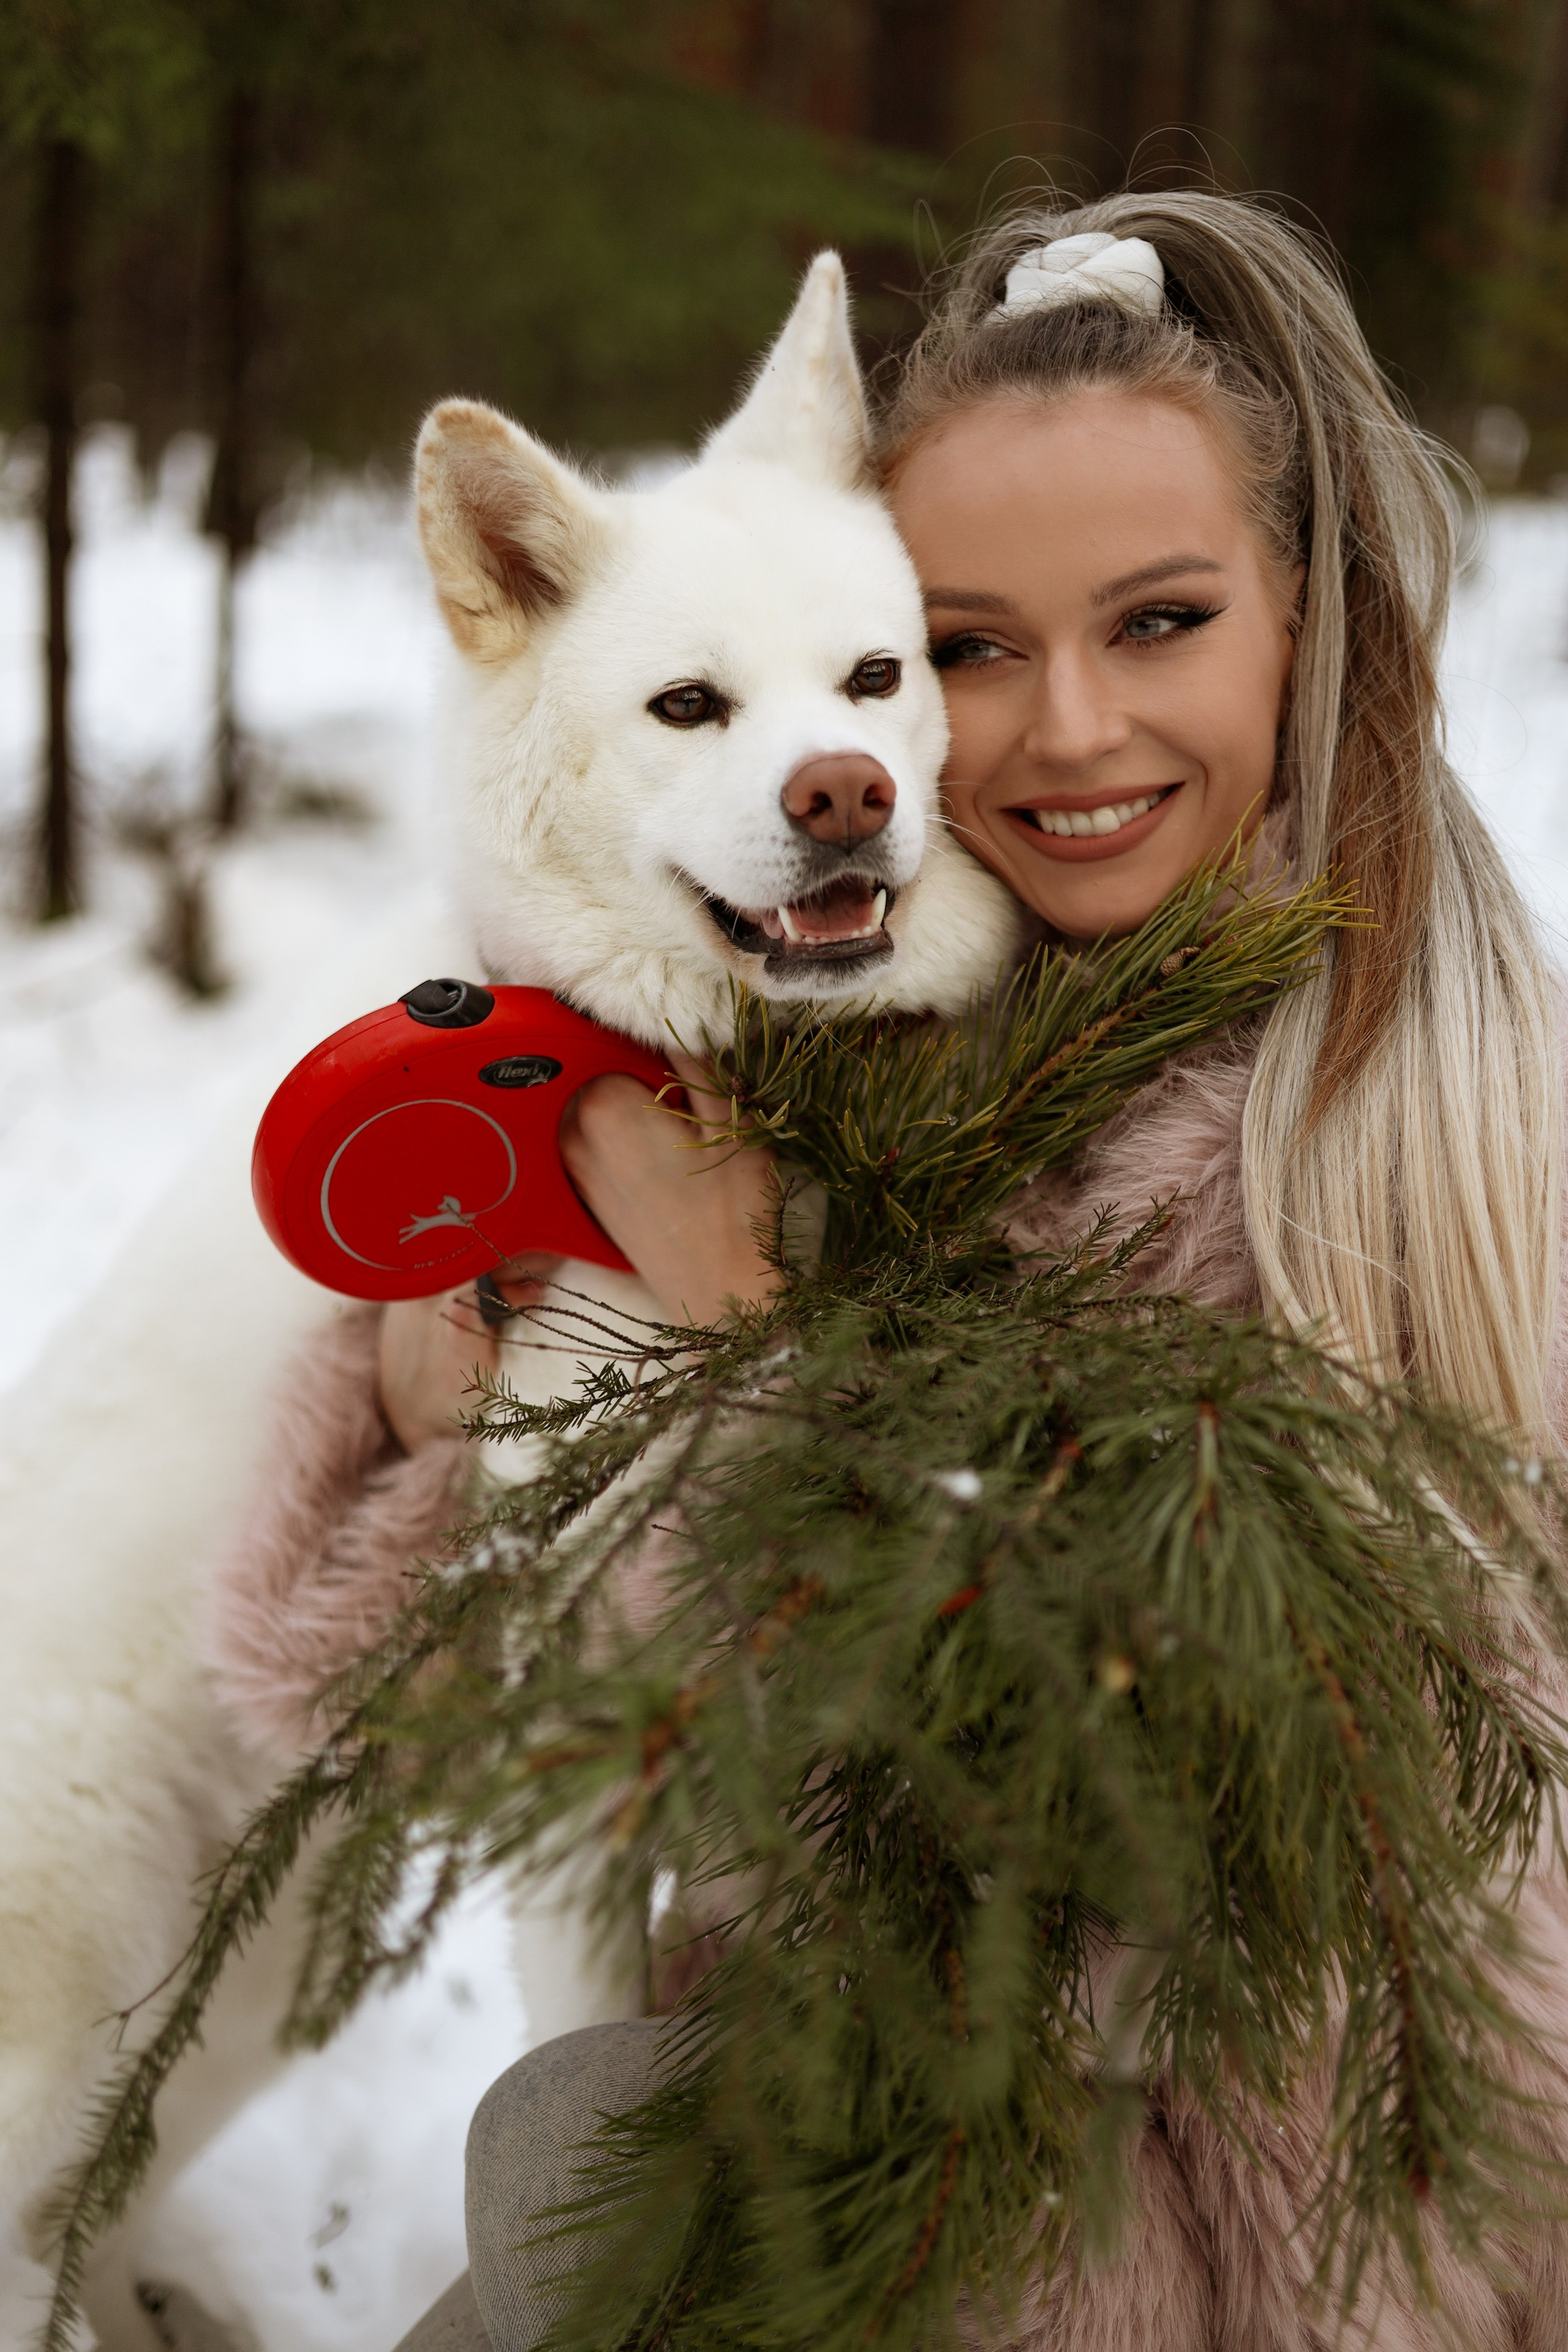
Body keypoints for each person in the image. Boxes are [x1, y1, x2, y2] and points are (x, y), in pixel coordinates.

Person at [214, 192, 1568, 2351]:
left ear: (1305, 627)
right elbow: (383, 1717)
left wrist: (716, 1330)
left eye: (1159, 623)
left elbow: (1101, 1849)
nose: (1059, 734)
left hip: (1223, 2234)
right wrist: (457, 1356)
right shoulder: (827, 1053)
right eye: (962, 647)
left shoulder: (1412, 1146)